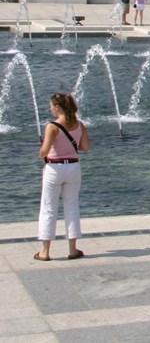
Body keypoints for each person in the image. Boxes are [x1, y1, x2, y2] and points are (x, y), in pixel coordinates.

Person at [35, 92, 90, 262]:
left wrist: (42, 150)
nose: (50, 108)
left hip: (55, 168)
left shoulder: (52, 126)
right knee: (72, 208)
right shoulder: (79, 124)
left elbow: (44, 151)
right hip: (73, 167)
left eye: (51, 105)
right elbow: (85, 147)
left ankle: (45, 251)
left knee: (49, 209)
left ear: (58, 107)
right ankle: (73, 250)